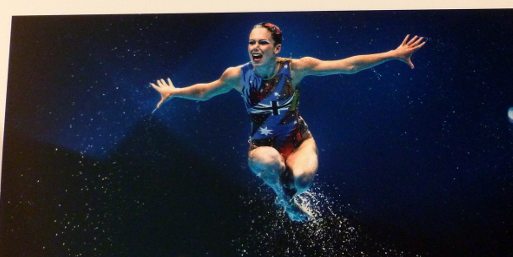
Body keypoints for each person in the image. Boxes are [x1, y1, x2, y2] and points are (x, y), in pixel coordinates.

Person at [151, 24, 425, 221]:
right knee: (270, 161)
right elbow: (204, 91)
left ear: (276, 47)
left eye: (262, 42)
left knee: (303, 181)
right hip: (262, 145)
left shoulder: (296, 68)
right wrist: (174, 92)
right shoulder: (237, 75)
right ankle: (285, 200)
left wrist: (392, 54)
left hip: (299, 141)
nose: (255, 47)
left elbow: (348, 66)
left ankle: (291, 191)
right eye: (251, 42)